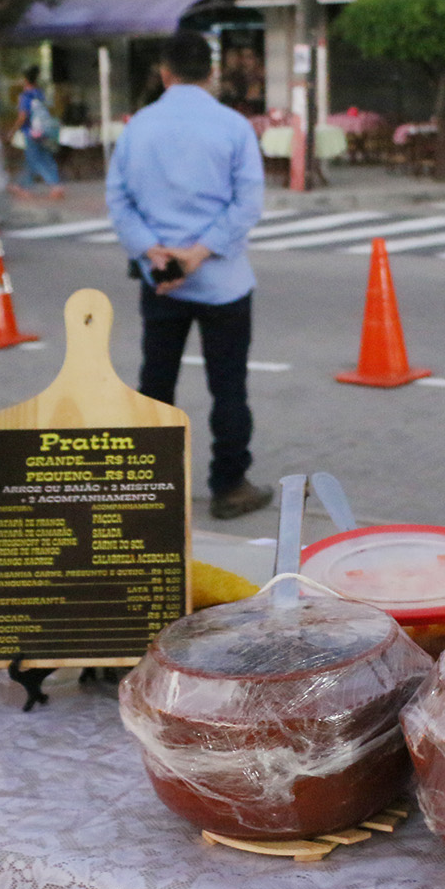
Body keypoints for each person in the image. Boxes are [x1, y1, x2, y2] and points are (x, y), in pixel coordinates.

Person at [106, 30, 272, 521]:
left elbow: (118, 200)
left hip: (161, 280)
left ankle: (150, 488)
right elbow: (248, 204)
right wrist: (199, 254)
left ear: (165, 73)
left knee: (156, 382)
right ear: (212, 74)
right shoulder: (233, 126)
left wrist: (152, 252)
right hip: (223, 282)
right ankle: (228, 486)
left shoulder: (138, 127)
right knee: (229, 387)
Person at [12, 65, 65, 202]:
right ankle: (21, 185)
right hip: (45, 131)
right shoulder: (40, 93)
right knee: (41, 158)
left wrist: (12, 131)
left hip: (31, 132)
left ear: (25, 80)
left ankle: (54, 185)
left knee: (35, 159)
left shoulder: (25, 96)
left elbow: (23, 116)